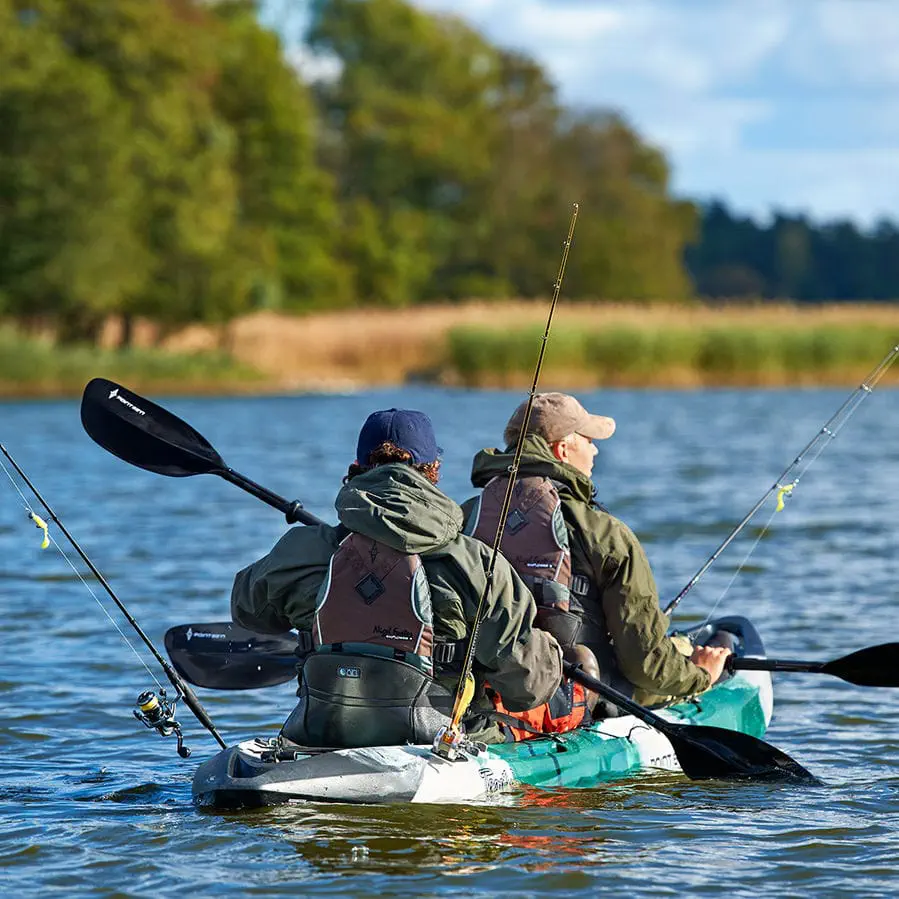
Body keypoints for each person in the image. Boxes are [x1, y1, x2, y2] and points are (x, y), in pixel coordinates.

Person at [230, 408, 567, 748]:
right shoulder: (478, 563)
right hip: (438, 742)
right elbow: (528, 687)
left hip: (321, 732)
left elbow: (247, 612)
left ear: (356, 471)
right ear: (433, 471)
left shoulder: (302, 550)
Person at [463, 392, 731, 710]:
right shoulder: (605, 533)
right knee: (715, 649)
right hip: (580, 694)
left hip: (479, 694)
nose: (595, 450)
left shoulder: (465, 517)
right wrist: (701, 675)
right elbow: (645, 664)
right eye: (589, 440)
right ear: (563, 449)